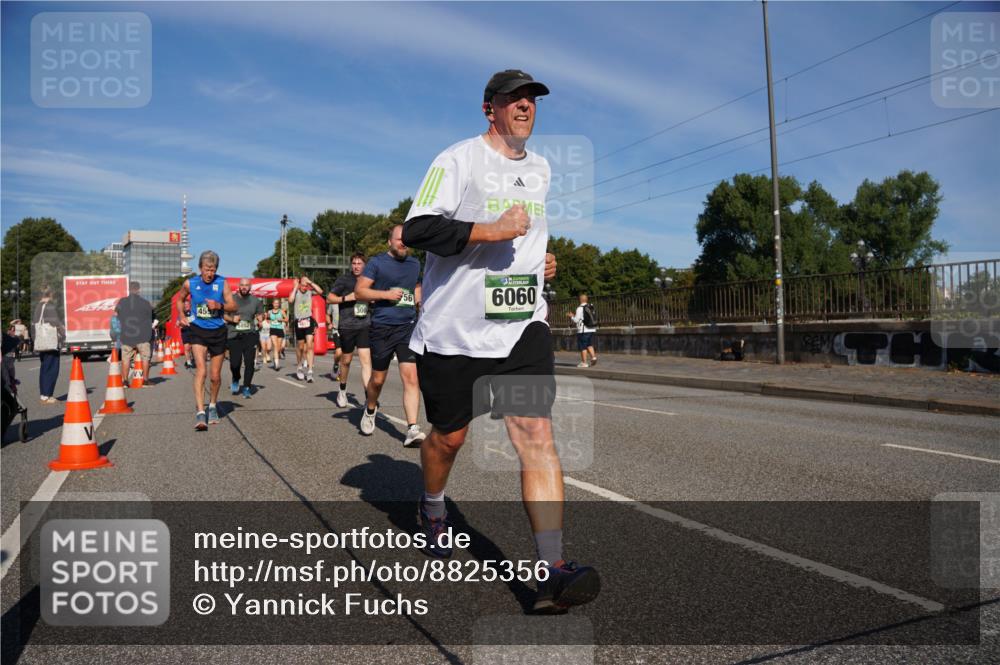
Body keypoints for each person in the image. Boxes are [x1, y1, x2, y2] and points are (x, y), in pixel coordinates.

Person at [401, 69, 598, 614]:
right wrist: (490, 230)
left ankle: (552, 570)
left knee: (536, 434)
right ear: (490, 109)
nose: (525, 106)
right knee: (448, 439)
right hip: (457, 332)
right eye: (514, 99)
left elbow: (526, 235)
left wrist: (540, 263)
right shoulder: (457, 159)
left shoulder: (541, 168)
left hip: (522, 327)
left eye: (532, 99)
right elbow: (419, 229)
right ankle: (433, 506)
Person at [354, 226, 425, 447]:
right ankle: (370, 407)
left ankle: (412, 428)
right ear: (389, 242)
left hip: (407, 327)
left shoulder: (415, 264)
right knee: (378, 379)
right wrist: (385, 294)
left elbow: (416, 287)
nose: (403, 243)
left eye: (406, 240)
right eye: (399, 239)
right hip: (383, 327)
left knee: (411, 378)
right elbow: (360, 291)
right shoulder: (376, 263)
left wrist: (419, 303)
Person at [176, 250, 237, 430]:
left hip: (218, 331)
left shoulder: (222, 282)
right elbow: (180, 300)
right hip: (198, 331)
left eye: (213, 269)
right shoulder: (190, 283)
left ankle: (212, 406)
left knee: (215, 376)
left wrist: (219, 306)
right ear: (200, 268)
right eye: (206, 269)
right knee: (201, 370)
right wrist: (181, 315)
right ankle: (200, 412)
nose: (209, 273)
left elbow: (233, 305)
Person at [327, 252, 373, 409]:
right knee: (346, 361)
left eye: (359, 263)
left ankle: (368, 397)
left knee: (366, 361)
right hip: (347, 326)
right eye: (354, 263)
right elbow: (329, 297)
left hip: (365, 325)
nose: (356, 266)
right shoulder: (344, 280)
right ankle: (342, 390)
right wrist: (347, 298)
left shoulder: (369, 280)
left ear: (364, 265)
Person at [224, 278, 264, 399]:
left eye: (247, 285)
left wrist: (260, 318)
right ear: (239, 286)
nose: (244, 287)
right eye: (242, 285)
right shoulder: (231, 299)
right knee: (235, 364)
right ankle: (236, 378)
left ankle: (247, 387)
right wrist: (232, 320)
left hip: (250, 334)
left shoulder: (256, 301)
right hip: (234, 334)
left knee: (249, 362)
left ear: (250, 287)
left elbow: (260, 313)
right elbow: (223, 314)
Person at [115, 281, 154, 381]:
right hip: (143, 336)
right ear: (139, 290)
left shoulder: (122, 302)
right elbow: (151, 317)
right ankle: (145, 380)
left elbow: (117, 314)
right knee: (145, 358)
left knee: (126, 359)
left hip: (127, 336)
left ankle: (125, 381)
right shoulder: (145, 303)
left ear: (129, 289)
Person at [32, 286, 64, 404]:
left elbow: (34, 324)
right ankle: (47, 395)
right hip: (50, 341)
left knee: (44, 367)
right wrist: (63, 332)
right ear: (50, 294)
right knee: (52, 368)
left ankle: (44, 394)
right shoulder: (49, 306)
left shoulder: (38, 307)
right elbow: (55, 321)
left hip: (41, 341)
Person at [289, 276, 324, 382]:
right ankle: (299, 367)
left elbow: (320, 291)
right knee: (300, 347)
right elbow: (290, 300)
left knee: (309, 345)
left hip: (309, 320)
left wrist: (310, 282)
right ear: (299, 284)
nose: (304, 287)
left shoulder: (309, 292)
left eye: (306, 285)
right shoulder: (296, 292)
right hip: (298, 321)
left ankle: (309, 371)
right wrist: (295, 287)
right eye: (303, 285)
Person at [569, 294, 598, 368]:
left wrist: (572, 316)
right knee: (589, 344)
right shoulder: (591, 307)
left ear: (580, 299)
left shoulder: (580, 308)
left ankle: (584, 363)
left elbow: (576, 320)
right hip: (592, 329)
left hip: (583, 330)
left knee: (583, 347)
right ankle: (593, 357)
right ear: (586, 300)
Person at [266, 299, 287, 369]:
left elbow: (286, 319)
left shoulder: (281, 311)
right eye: (275, 303)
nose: (276, 305)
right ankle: (277, 364)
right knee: (275, 345)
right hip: (273, 329)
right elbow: (267, 319)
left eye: (277, 303)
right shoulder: (269, 312)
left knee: (279, 347)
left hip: (280, 329)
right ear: (273, 304)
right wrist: (269, 321)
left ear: (279, 304)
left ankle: (275, 358)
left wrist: (281, 320)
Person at [181, 295, 195, 369]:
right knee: (187, 348)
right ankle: (188, 362)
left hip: (193, 332)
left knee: (193, 348)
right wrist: (180, 323)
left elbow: (194, 320)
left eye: (187, 304)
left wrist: (186, 321)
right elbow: (179, 323)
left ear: (190, 305)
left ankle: (194, 360)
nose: (186, 306)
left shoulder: (193, 312)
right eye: (185, 305)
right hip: (185, 332)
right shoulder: (182, 313)